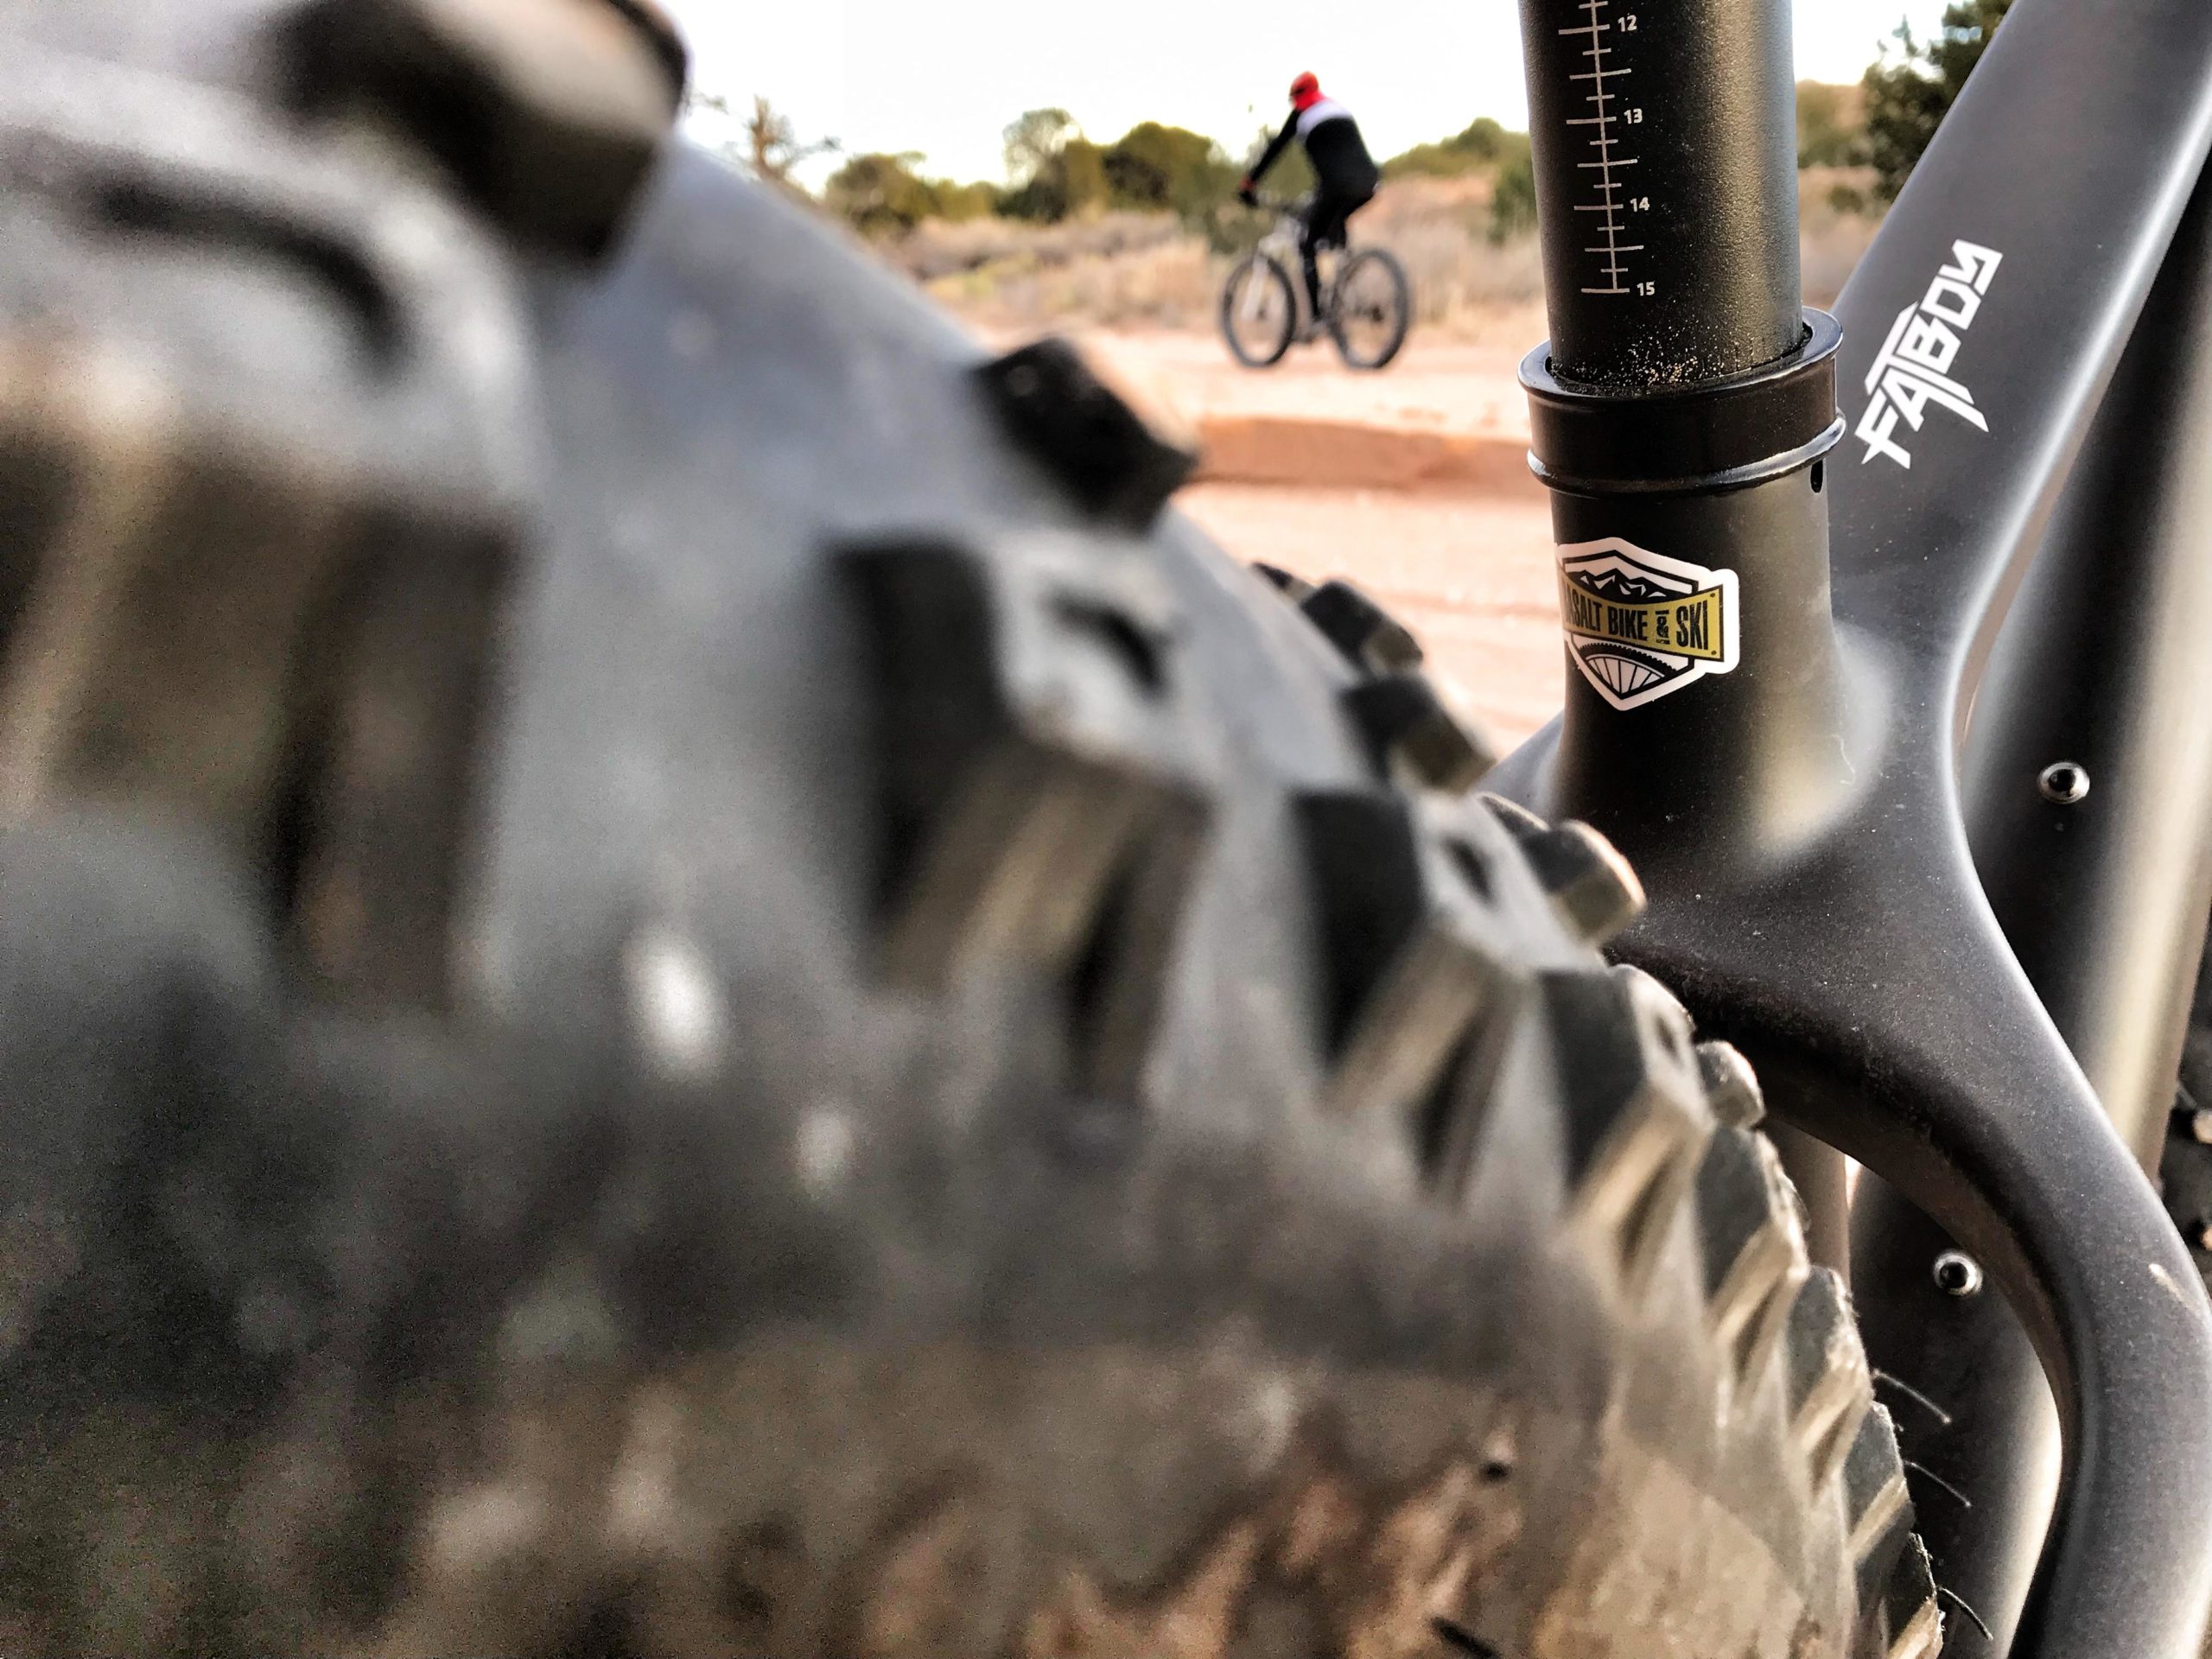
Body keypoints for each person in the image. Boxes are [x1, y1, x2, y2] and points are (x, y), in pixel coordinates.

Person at [1239, 73, 1381, 333]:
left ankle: (1318, 318)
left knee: (1306, 243)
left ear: (1295, 98)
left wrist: (1249, 184)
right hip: (1369, 183)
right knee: (1333, 226)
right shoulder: (1339, 109)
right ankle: (1345, 284)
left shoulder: (1302, 114)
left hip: (1336, 187)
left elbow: (1275, 149)